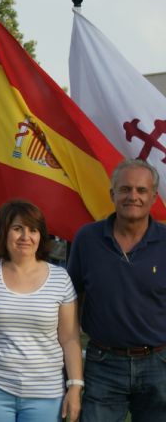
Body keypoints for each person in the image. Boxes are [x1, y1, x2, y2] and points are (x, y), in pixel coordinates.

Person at [68, 159, 166, 421]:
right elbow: (71, 298)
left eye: (141, 190)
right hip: (103, 364)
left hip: (159, 364)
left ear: (154, 197)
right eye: (125, 189)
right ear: (112, 194)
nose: (133, 196)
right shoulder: (87, 239)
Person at [0, 199, 82, 422]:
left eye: (33, 230)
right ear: (4, 232)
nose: (25, 237)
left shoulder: (60, 279)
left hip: (47, 394)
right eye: (17, 228)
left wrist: (75, 386)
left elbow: (69, 338)